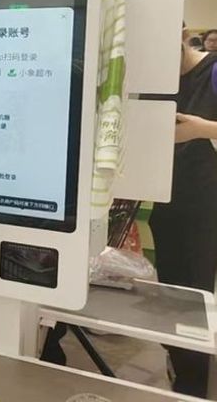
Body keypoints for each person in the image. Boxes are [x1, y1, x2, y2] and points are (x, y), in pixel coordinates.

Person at [149, 26, 217, 397]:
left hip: (204, 207)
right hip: (167, 202)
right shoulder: (157, 79)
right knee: (170, 290)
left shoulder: (212, 72)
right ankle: (179, 362)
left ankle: (195, 380)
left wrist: (200, 129)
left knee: (195, 295)